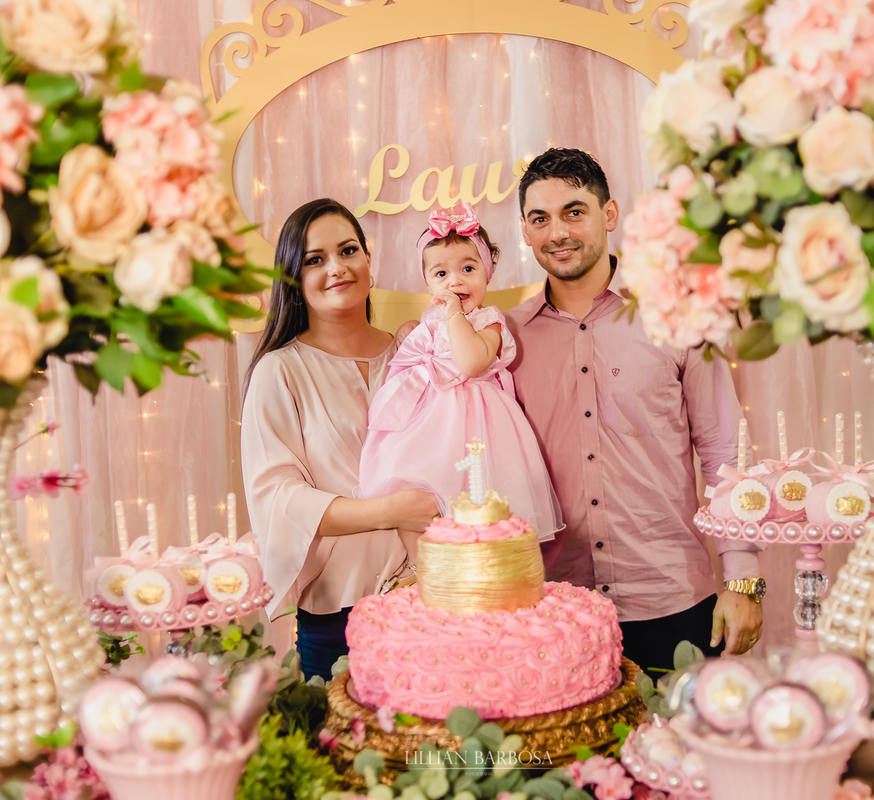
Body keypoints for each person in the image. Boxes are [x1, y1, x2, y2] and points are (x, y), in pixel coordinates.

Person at [505, 149, 765, 671]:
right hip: (554, 610)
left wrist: (742, 578)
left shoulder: (676, 315)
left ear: (610, 214)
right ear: (526, 232)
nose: (558, 231)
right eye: (540, 218)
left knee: (682, 751)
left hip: (671, 599)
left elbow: (721, 450)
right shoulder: (504, 339)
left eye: (574, 211)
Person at [241, 198, 439, 681]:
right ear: (292, 279)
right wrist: (391, 511)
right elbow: (279, 499)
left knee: (433, 755)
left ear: (369, 262)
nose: (337, 267)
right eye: (315, 259)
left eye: (348, 250)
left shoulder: (415, 355)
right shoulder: (280, 371)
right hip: (338, 618)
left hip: (432, 603)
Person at [356, 202, 562, 564]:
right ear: (427, 282)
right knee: (414, 499)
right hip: (427, 428)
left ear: (488, 273)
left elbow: (471, 360)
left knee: (481, 513)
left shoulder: (489, 321)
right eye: (441, 274)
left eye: (468, 268)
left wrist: (453, 316)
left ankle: (479, 576)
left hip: (479, 425)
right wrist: (412, 335)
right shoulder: (430, 321)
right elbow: (408, 363)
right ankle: (426, 573)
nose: (455, 282)